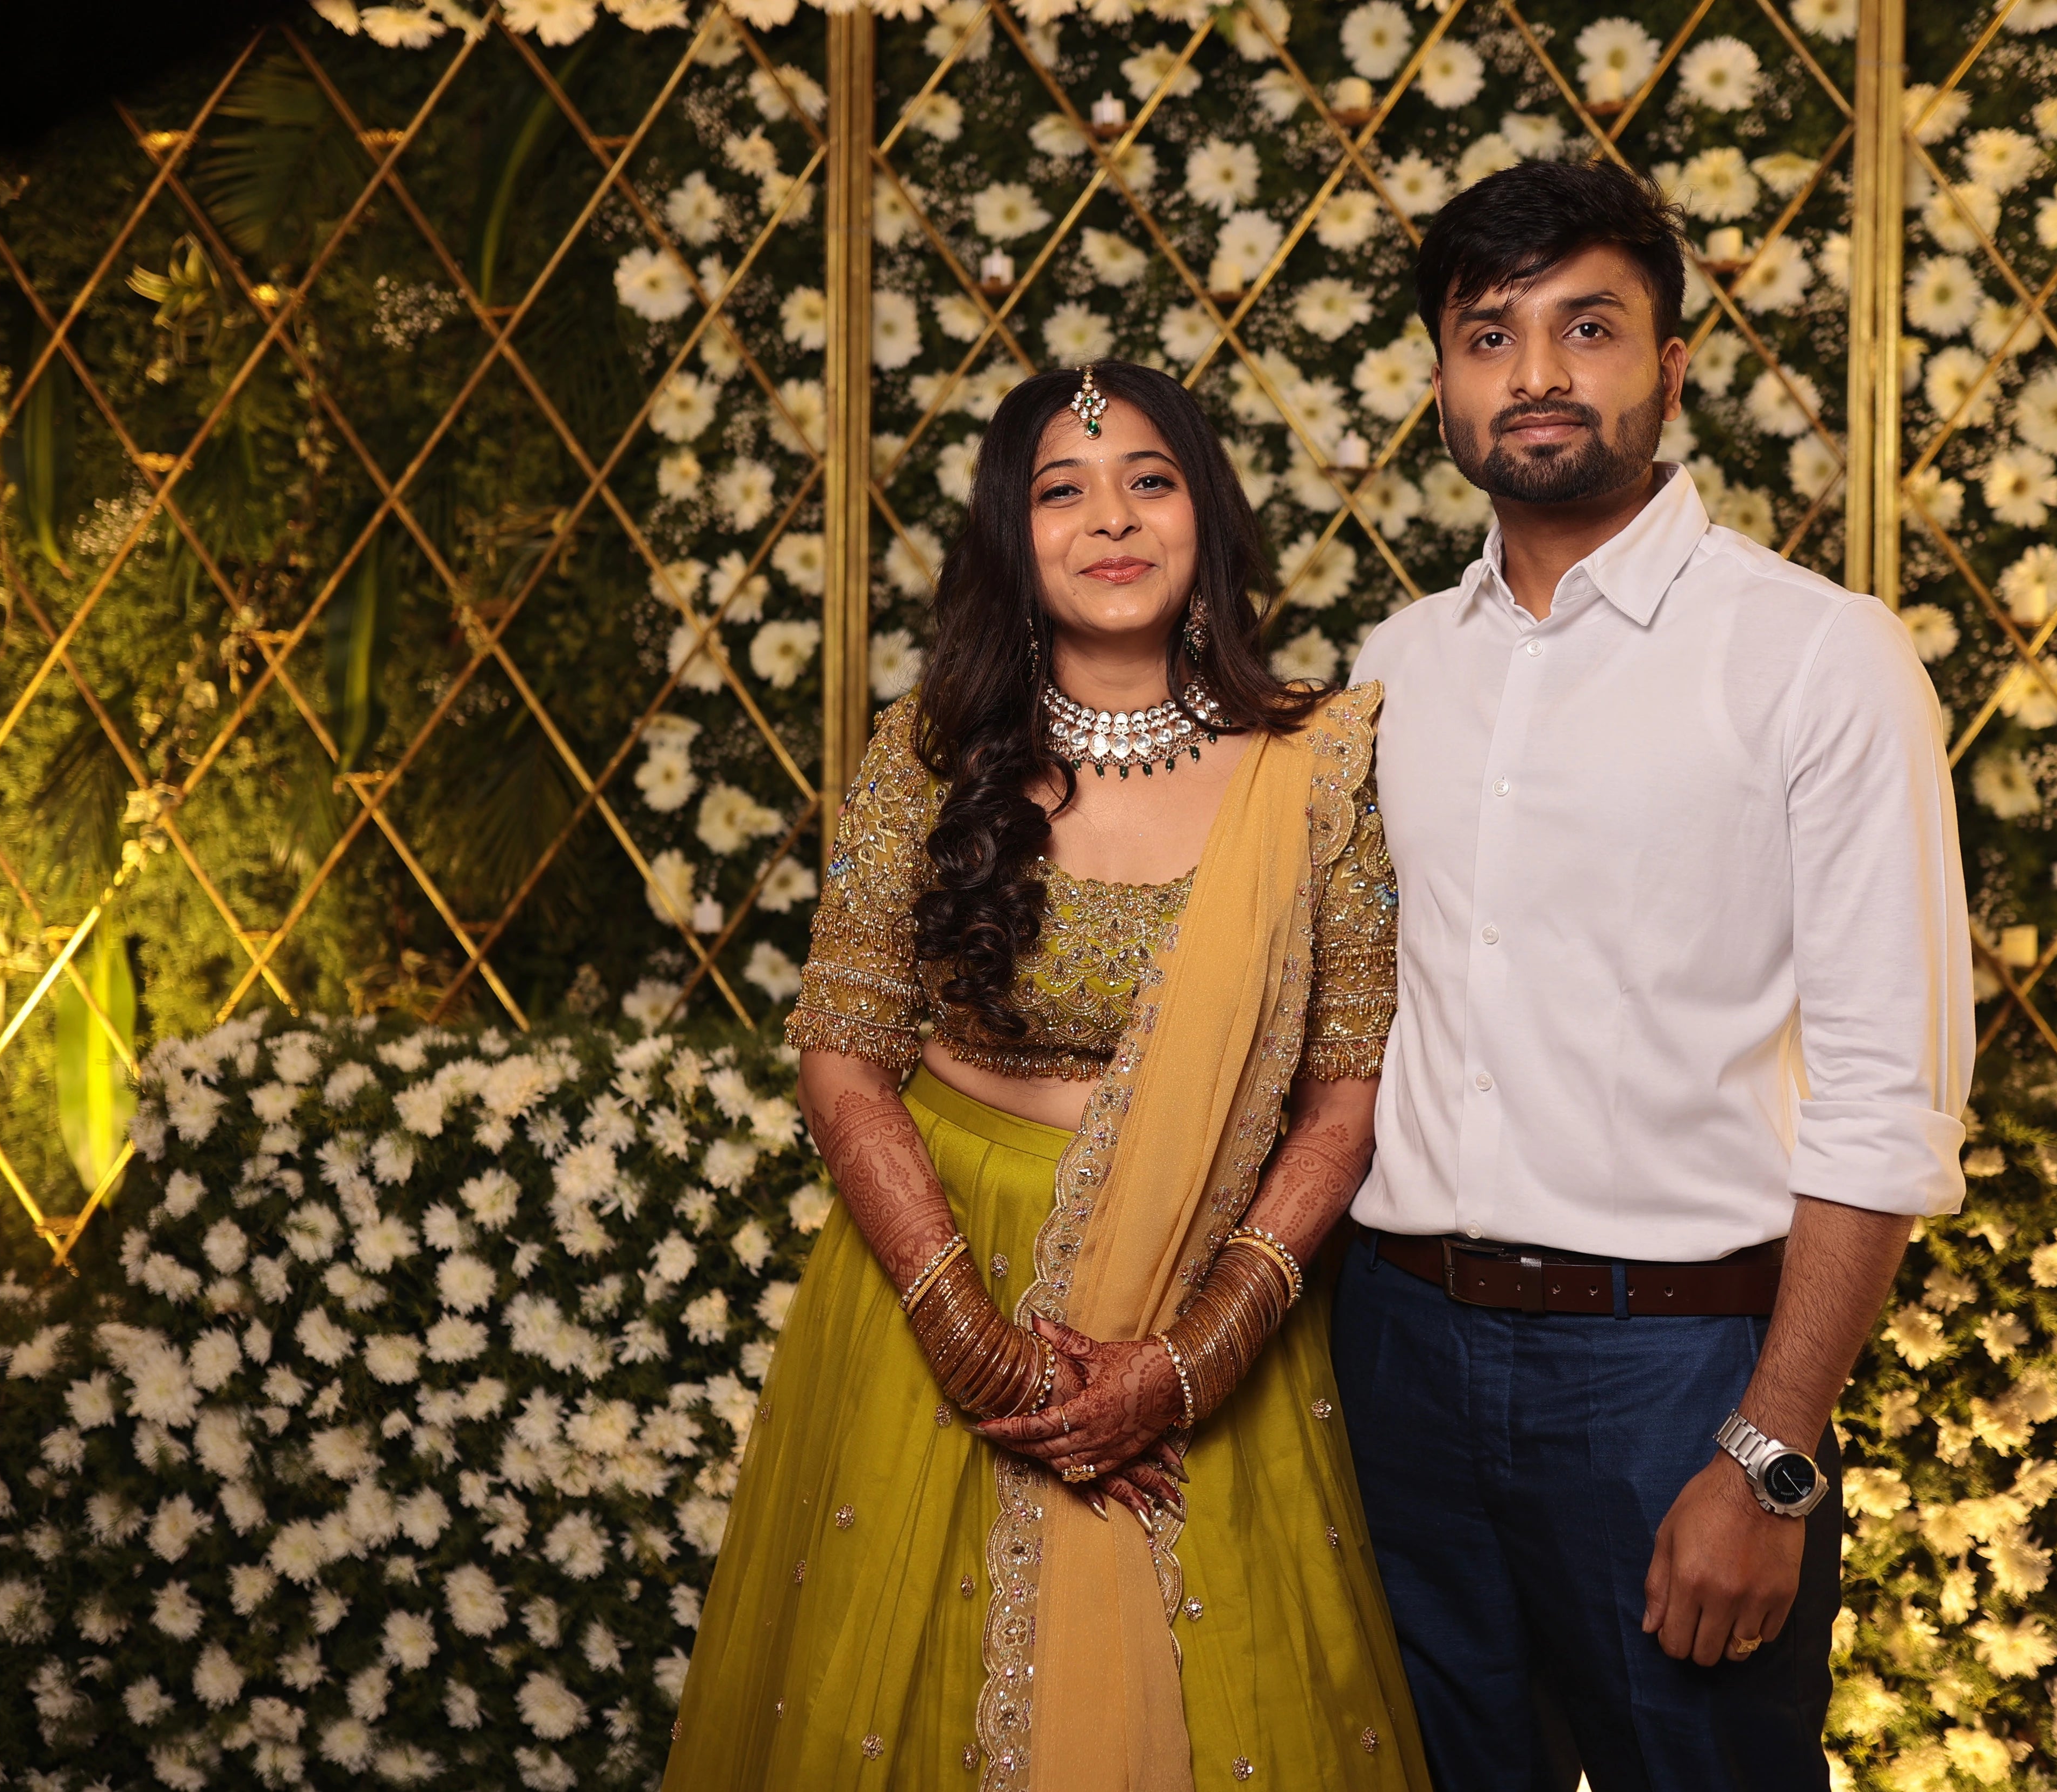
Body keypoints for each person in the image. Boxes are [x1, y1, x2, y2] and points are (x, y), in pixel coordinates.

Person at [663, 361, 1431, 1792]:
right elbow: (843, 1057)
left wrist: (1190, 1361)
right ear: (1012, 541)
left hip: (1202, 1296)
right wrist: (968, 1334)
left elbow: (1346, 1102)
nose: (1113, 521)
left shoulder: (1310, 769)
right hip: (938, 1279)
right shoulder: (931, 754)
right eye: (1062, 491)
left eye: (1151, 480)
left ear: (1207, 514)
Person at [1334, 159, 1974, 1791]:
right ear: (1441, 381)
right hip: (1396, 1355)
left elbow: (1887, 1098)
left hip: (1668, 1371)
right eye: (1491, 334)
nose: (1536, 373)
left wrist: (1767, 1459)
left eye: (1587, 325)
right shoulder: (1397, 672)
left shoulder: (1817, 658)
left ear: (1672, 366)